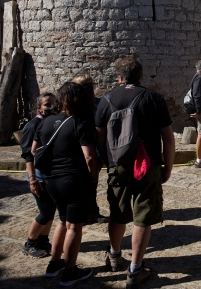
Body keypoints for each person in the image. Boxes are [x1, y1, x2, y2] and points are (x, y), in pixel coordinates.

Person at [96, 58, 175, 288]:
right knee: (143, 216)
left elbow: (99, 137)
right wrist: (167, 166)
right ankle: (135, 269)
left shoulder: (107, 100)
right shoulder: (153, 98)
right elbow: (168, 138)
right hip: (147, 163)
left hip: (117, 163)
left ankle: (114, 254)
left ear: (119, 78)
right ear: (141, 76)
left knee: (117, 211)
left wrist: (107, 162)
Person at [32, 83, 98, 285]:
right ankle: (70, 272)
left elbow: (34, 150)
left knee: (62, 222)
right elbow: (89, 157)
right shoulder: (80, 122)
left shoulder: (46, 121)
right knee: (74, 227)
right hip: (73, 180)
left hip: (52, 180)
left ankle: (55, 263)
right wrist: (93, 178)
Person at [21, 93, 57, 258]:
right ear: (39, 108)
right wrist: (33, 179)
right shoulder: (33, 125)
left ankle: (43, 240)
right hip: (38, 176)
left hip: (49, 175)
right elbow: (28, 155)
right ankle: (30, 243)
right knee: (45, 211)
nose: (51, 107)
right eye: (47, 105)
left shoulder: (52, 123)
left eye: (53, 104)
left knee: (50, 210)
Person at [72, 73, 109, 226]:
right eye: (84, 86)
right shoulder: (72, 108)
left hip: (95, 150)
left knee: (92, 183)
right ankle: (80, 214)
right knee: (80, 185)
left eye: (89, 85)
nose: (88, 89)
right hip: (76, 152)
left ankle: (91, 213)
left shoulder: (98, 104)